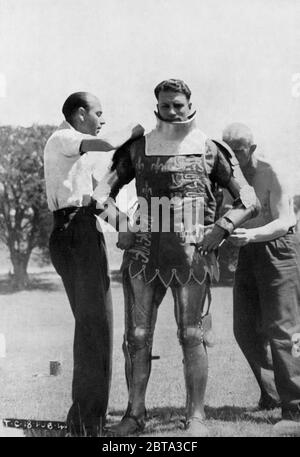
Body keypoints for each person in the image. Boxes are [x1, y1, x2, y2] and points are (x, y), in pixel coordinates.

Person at [101, 80, 260, 437]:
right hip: (143, 254)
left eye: (178, 105)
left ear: (190, 105)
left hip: (192, 255)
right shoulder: (137, 148)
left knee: (191, 335)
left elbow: (249, 199)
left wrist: (221, 227)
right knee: (137, 336)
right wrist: (121, 225)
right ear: (156, 106)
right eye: (166, 105)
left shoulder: (210, 148)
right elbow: (100, 193)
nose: (172, 111)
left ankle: (196, 417)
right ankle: (134, 414)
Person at [44, 91, 141, 436]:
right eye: (99, 112)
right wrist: (140, 130)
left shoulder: (73, 156)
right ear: (80, 114)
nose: (103, 118)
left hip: (80, 229)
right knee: (96, 328)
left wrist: (124, 228)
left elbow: (94, 200)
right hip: (76, 234)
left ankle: (84, 420)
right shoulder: (65, 138)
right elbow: (111, 141)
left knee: (94, 328)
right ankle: (88, 422)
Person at [223, 123, 300, 436]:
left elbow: (286, 219)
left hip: (281, 249)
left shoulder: (273, 169)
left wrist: (250, 234)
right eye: (227, 150)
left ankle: (294, 409)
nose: (232, 156)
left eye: (237, 150)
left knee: (283, 329)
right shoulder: (233, 177)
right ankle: (271, 394)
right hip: (250, 250)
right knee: (244, 327)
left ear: (251, 149)